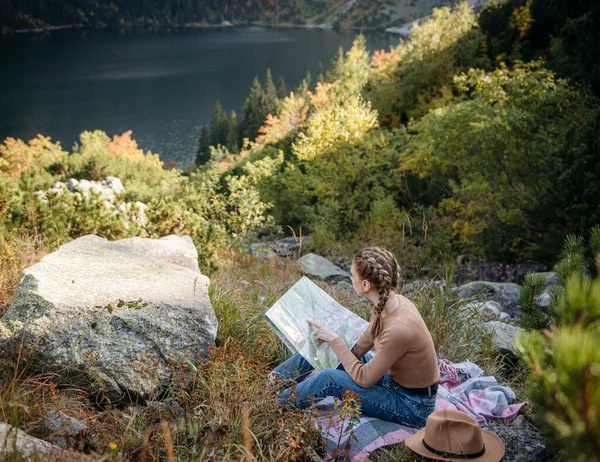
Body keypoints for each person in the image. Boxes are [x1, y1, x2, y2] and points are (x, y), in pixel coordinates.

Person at [270, 247, 440, 428]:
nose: (350, 278)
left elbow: (365, 378)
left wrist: (337, 342)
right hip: (394, 381)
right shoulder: (387, 303)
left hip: (412, 406)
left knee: (330, 378)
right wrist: (331, 342)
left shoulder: (400, 329)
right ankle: (273, 381)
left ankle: (272, 404)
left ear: (365, 285)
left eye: (352, 275)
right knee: (325, 345)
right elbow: (359, 347)